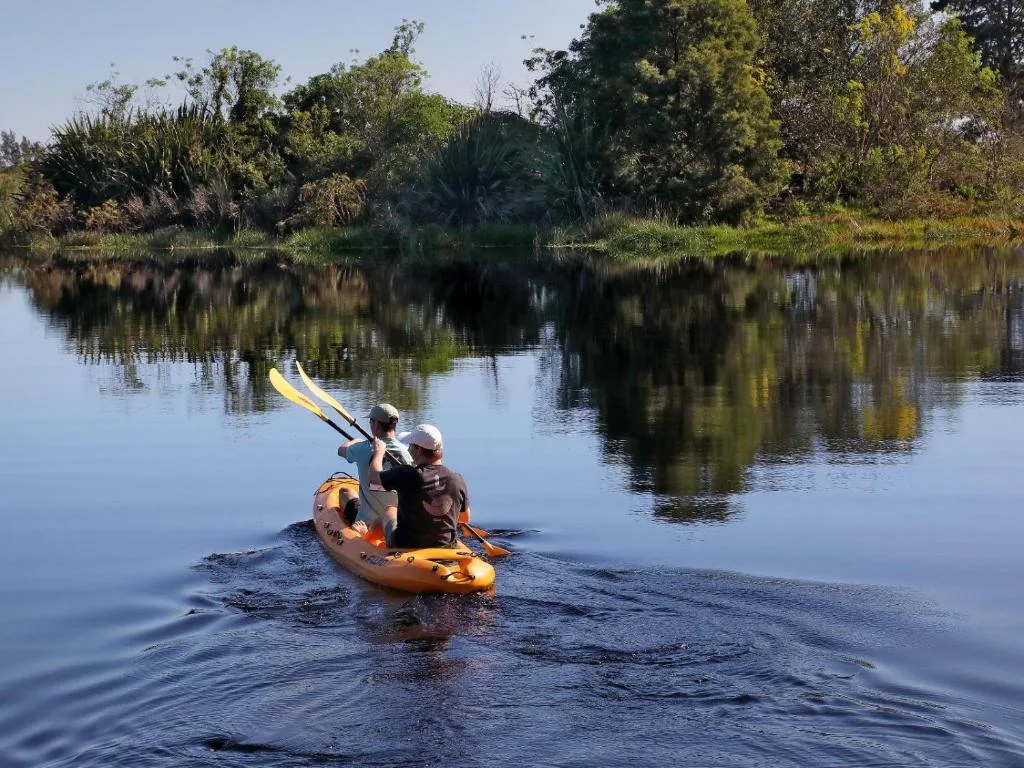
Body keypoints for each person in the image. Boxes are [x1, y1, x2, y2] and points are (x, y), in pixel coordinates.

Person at [367, 424, 471, 549]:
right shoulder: (457, 478)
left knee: (389, 511)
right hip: (445, 545)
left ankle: (366, 538)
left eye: (411, 446)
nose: (409, 449)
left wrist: (378, 453)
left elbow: (374, 478)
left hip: (405, 544)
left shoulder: (407, 473)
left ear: (419, 450)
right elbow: (464, 518)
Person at [337, 403, 413, 528]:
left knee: (344, 492)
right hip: (397, 521)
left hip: (365, 523)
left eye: (371, 421)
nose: (370, 425)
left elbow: (341, 450)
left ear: (376, 425)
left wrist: (356, 441)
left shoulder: (362, 448)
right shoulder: (408, 452)